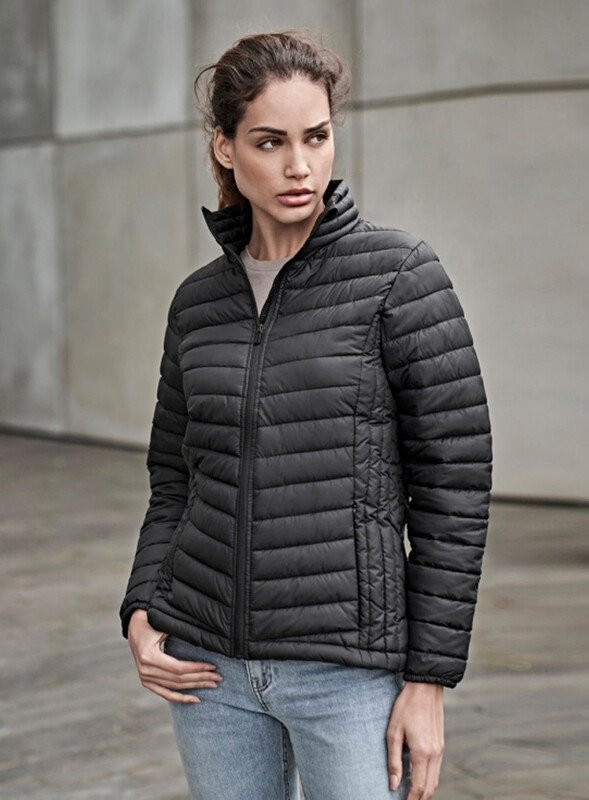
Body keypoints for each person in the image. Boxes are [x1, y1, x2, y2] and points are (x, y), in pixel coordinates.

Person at [119, 30, 492, 800]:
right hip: (207, 671)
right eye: (270, 141)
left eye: (315, 137)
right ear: (224, 148)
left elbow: (454, 487)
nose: (299, 166)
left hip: (346, 676)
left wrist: (427, 680)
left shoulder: (399, 277)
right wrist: (141, 605)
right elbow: (173, 477)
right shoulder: (197, 304)